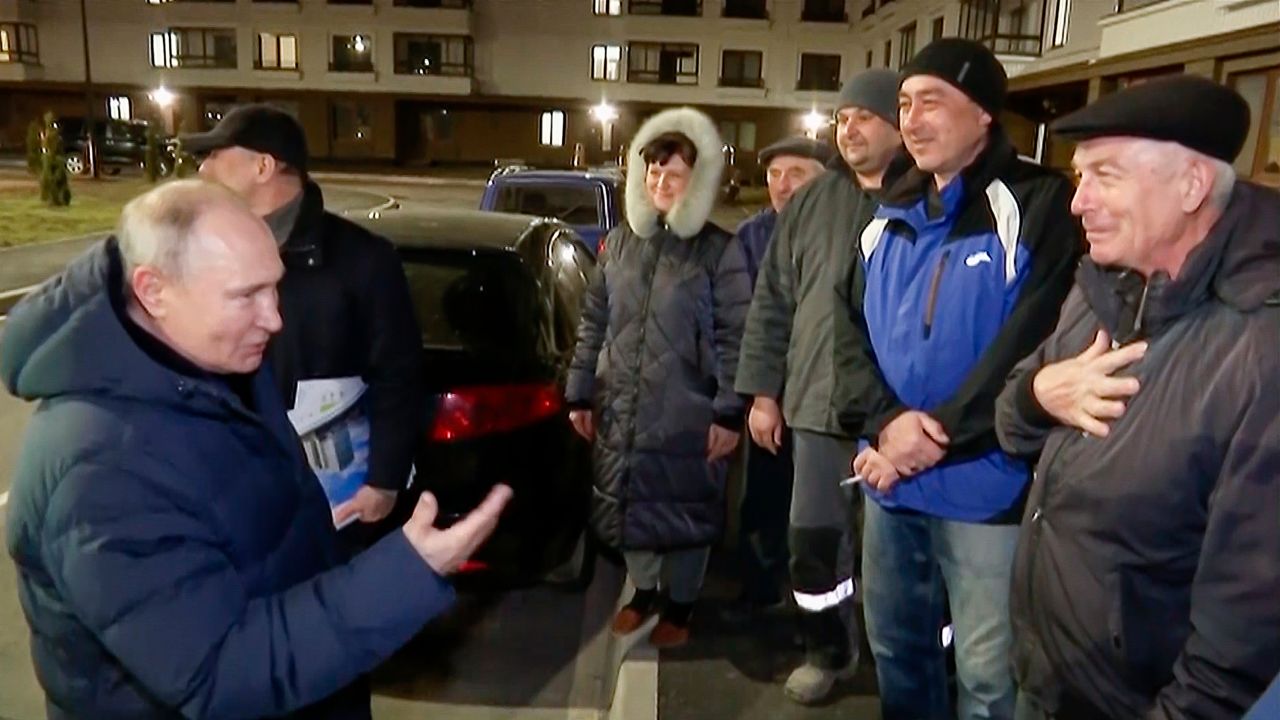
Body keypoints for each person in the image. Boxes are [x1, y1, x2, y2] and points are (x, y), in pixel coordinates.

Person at [0, 180, 511, 718]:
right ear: (153, 291)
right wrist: (405, 573)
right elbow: (219, 670)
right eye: (246, 295)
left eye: (275, 288)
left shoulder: (212, 361)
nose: (275, 319)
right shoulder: (99, 471)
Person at [995, 74, 1280, 719]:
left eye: (1106, 175)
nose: (1077, 202)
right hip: (1048, 677)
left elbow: (1244, 635)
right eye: (1078, 175)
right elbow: (1011, 424)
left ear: (1191, 186)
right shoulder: (1104, 287)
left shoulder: (1262, 347)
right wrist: (1041, 395)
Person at [833, 39, 1082, 720]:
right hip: (891, 484)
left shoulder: (1036, 206)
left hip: (987, 487)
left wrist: (934, 433)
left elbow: (1033, 340)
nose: (911, 119)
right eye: (906, 103)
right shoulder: (887, 216)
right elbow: (847, 333)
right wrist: (885, 425)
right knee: (898, 651)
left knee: (987, 675)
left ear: (983, 115)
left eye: (931, 102)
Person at [737, 68, 903, 706]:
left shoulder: (927, 198)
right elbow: (773, 303)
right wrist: (763, 392)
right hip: (815, 407)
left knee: (901, 556)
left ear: (898, 124)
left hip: (899, 418)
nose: (850, 127)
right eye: (843, 117)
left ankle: (912, 662)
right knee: (814, 546)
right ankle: (827, 653)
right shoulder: (813, 203)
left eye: (866, 115)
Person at [565, 107, 751, 649]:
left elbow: (737, 334)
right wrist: (580, 390)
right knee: (628, 506)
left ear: (698, 182)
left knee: (687, 513)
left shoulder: (720, 250)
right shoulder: (621, 243)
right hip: (621, 406)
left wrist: (728, 411)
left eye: (674, 174)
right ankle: (643, 591)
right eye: (652, 173)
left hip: (687, 413)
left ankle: (682, 604)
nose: (661, 183)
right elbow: (594, 320)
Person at [187, 104, 423, 530]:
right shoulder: (200, 254)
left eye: (216, 155)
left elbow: (398, 374)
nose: (203, 170)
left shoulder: (364, 260)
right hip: (229, 490)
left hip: (332, 502)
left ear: (263, 166)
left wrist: (384, 481)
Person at [726, 135, 834, 622]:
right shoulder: (751, 237)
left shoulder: (844, 230)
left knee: (820, 509)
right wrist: (760, 395)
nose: (783, 185)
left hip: (826, 397)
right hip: (771, 393)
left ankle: (815, 604)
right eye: (774, 175)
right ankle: (760, 590)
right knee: (763, 497)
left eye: (798, 174)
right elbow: (750, 320)